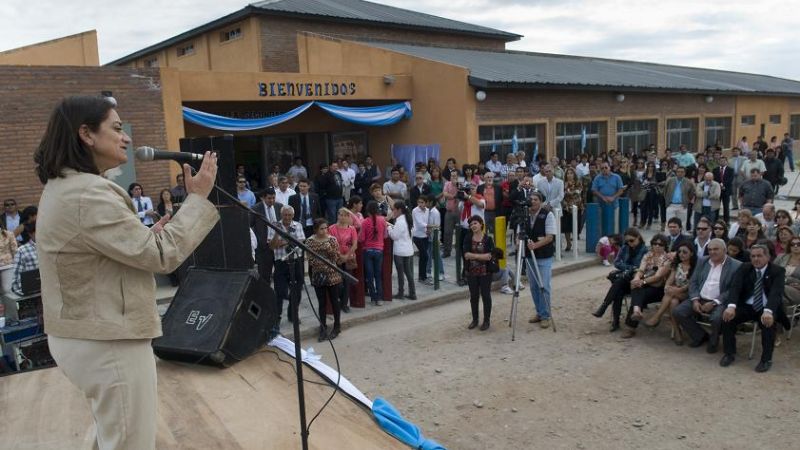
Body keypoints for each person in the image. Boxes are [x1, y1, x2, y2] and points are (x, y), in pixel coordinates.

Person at [34, 95, 219, 449]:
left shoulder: (65, 187)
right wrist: (198, 200)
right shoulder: (90, 193)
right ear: (86, 134)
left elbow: (98, 254)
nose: (127, 138)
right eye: (117, 128)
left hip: (85, 335)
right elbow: (162, 257)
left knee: (112, 436)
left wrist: (146, 237)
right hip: (108, 341)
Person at [720, 244, 785, 372]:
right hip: (747, 305)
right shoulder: (745, 268)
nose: (756, 259)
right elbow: (735, 287)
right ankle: (729, 353)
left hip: (766, 307)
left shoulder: (778, 271)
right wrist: (731, 307)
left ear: (768, 257)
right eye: (753, 256)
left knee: (768, 324)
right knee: (727, 318)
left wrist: (768, 311)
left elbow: (776, 293)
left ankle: (766, 360)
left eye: (759, 256)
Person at [672, 239, 741, 353]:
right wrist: (695, 300)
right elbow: (693, 282)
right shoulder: (703, 261)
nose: (712, 252)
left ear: (724, 250)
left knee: (717, 318)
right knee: (678, 312)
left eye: (715, 249)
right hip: (700, 298)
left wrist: (714, 302)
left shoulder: (736, 265)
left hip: (720, 301)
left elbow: (732, 290)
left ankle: (713, 341)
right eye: (709, 249)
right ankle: (700, 336)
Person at [593, 228, 648, 331]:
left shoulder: (644, 250)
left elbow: (640, 267)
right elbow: (617, 262)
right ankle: (615, 321)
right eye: (627, 241)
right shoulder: (625, 247)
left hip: (636, 281)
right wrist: (629, 268)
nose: (629, 243)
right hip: (625, 278)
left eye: (632, 240)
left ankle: (604, 307)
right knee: (618, 291)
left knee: (619, 283)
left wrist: (630, 269)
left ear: (638, 238)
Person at [644, 242, 698, 344]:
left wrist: (677, 290)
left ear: (691, 253)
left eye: (685, 252)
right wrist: (668, 287)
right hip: (675, 293)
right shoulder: (677, 265)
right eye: (679, 252)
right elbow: (670, 279)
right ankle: (677, 332)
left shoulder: (696, 266)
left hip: (689, 294)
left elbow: (691, 284)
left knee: (671, 294)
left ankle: (657, 317)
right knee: (673, 302)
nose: (681, 254)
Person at [621, 234, 672, 338]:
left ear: (665, 246)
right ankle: (636, 311)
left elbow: (658, 277)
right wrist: (636, 279)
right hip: (645, 284)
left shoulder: (667, 259)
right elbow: (641, 269)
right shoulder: (648, 255)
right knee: (637, 289)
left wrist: (642, 282)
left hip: (659, 288)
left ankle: (631, 325)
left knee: (638, 292)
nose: (657, 246)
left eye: (660, 244)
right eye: (655, 243)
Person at [305, 219, 343, 342]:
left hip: (333, 275)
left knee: (334, 301)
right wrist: (324, 263)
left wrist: (329, 250)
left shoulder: (332, 240)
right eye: (321, 228)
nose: (324, 230)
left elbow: (336, 257)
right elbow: (311, 260)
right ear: (316, 229)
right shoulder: (310, 242)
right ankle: (323, 328)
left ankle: (337, 326)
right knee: (322, 304)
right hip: (318, 276)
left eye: (326, 228)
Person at [269, 205, 306, 331]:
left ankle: (293, 315)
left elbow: (301, 243)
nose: (287, 217)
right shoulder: (274, 225)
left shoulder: (298, 225)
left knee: (297, 290)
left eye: (289, 215)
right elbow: (272, 246)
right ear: (281, 215)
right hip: (281, 262)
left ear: (293, 216)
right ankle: (277, 318)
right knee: (279, 292)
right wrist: (279, 236)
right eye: (285, 215)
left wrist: (283, 241)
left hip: (295, 261)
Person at [522, 191, 556, 329]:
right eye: (531, 199)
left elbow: (549, 237)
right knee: (534, 286)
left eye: (536, 199)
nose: (533, 202)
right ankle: (539, 312)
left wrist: (535, 245)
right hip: (529, 256)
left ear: (541, 201)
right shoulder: (525, 215)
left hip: (543, 255)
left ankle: (546, 315)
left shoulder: (548, 215)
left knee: (544, 286)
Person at [463, 215, 494, 330]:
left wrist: (474, 256)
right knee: (474, 297)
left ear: (481, 224)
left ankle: (486, 321)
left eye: (475, 223)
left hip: (486, 272)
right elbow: (466, 255)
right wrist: (481, 256)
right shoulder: (467, 238)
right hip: (471, 272)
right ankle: (475, 320)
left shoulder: (488, 239)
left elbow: (490, 256)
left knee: (486, 296)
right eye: (471, 225)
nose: (473, 226)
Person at [328, 208, 357, 313]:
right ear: (337, 215)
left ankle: (344, 304)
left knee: (347, 282)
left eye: (345, 215)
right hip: (336, 258)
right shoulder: (331, 228)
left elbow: (355, 244)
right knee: (338, 283)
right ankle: (338, 300)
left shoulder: (352, 229)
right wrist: (339, 255)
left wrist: (346, 256)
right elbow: (330, 244)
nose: (343, 217)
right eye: (341, 215)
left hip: (349, 258)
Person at [252, 188, 282, 285]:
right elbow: (249, 225)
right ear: (263, 198)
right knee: (265, 274)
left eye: (273, 198)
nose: (272, 200)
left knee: (280, 273)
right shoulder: (255, 209)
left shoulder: (279, 206)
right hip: (263, 247)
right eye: (269, 198)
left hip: (278, 245)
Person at [360, 201, 387, 305]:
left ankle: (373, 296)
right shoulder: (382, 220)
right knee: (378, 275)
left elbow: (361, 238)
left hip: (368, 250)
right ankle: (379, 298)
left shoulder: (365, 222)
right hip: (379, 250)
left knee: (369, 276)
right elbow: (385, 236)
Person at [387, 200, 416, 300]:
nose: (393, 211)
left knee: (400, 273)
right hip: (408, 250)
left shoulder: (400, 221)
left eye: (394, 209)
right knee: (408, 273)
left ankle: (401, 293)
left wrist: (389, 229)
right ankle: (413, 293)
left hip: (400, 251)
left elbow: (395, 236)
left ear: (399, 210)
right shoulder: (407, 219)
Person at [591, 162, 625, 237]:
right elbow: (594, 190)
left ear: (609, 168)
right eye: (602, 168)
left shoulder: (617, 177)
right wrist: (602, 197)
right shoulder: (597, 178)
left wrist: (613, 197)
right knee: (602, 224)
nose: (604, 169)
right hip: (601, 205)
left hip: (614, 204)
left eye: (606, 167)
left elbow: (621, 190)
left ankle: (614, 241)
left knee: (615, 224)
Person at [774, 236, 800, 324]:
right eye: (793, 244)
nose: (796, 246)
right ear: (789, 246)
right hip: (779, 288)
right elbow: (772, 271)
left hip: (797, 290)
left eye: (798, 244)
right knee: (781, 300)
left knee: (779, 288)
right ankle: (780, 326)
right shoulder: (781, 257)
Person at [10, 222, 38, 296]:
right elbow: (16, 278)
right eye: (38, 232)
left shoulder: (51, 248)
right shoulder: (22, 251)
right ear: (30, 234)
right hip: (33, 293)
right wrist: (25, 295)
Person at [561, 167, 583, 251]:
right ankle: (568, 244)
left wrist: (570, 192)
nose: (569, 175)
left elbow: (578, 193)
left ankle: (575, 245)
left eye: (571, 173)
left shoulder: (578, 182)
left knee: (575, 226)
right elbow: (561, 194)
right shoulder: (563, 183)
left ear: (574, 174)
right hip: (566, 207)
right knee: (566, 226)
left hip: (576, 207)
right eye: (568, 173)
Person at [411, 196, 432, 285]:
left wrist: (428, 230)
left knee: (423, 257)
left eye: (422, 202)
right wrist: (429, 227)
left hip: (425, 235)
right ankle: (422, 277)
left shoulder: (428, 210)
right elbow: (419, 224)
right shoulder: (415, 210)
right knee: (425, 256)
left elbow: (428, 221)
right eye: (419, 202)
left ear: (426, 203)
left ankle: (422, 276)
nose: (420, 204)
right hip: (417, 236)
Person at [0, 225, 17, 294]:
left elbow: (15, 251)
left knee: (7, 290)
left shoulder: (9, 234)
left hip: (7, 265)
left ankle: (9, 304)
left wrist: (15, 264)